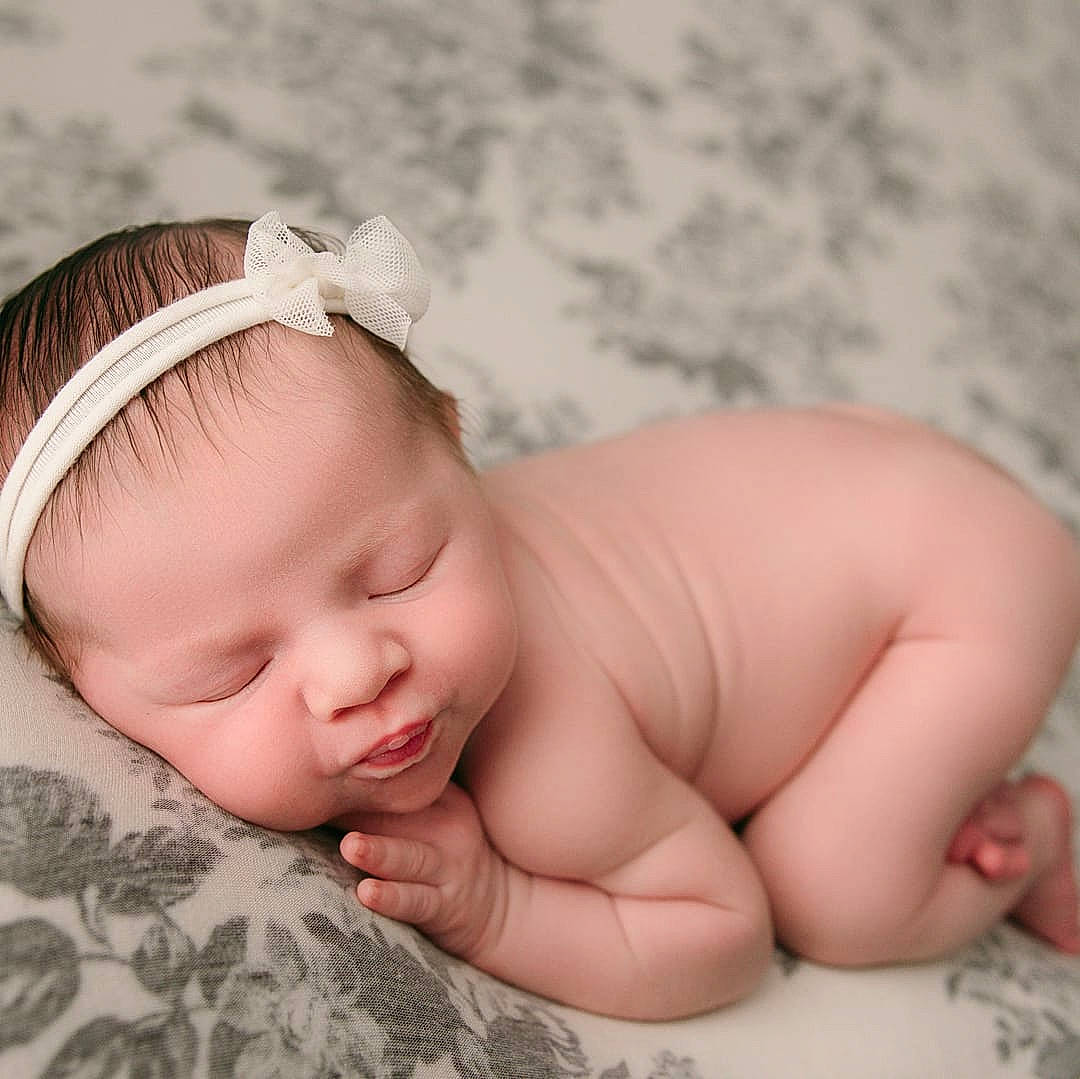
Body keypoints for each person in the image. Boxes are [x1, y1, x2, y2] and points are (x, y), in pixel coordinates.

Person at [1, 212, 1078, 1022]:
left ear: (457, 445)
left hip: (966, 580)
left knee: (832, 891)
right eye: (231, 672)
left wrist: (497, 905)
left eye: (400, 572)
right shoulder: (354, 519)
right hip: (861, 468)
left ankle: (1033, 836)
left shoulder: (550, 775)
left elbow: (724, 935)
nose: (355, 672)